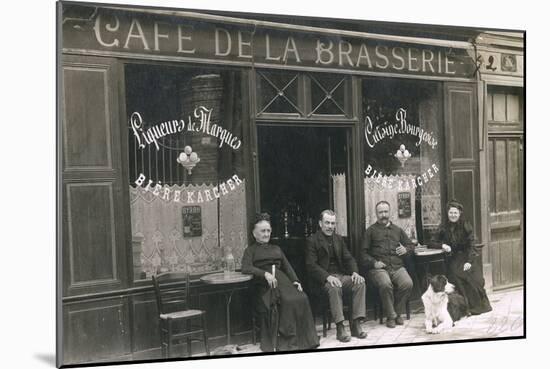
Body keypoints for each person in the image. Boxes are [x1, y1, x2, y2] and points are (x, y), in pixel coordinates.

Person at [241, 213, 319, 352]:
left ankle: (307, 341)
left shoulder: (276, 249)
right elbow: (246, 267)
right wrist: (264, 274)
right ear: (254, 233)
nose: (266, 234)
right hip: (265, 285)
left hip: (282, 280)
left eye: (268, 231)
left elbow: (287, 266)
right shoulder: (250, 251)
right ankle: (289, 342)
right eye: (262, 231)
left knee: (302, 297)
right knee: (287, 301)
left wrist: (296, 281)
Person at [305, 210, 367, 342]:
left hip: (340, 276)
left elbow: (349, 258)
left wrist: (355, 272)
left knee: (360, 283)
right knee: (334, 287)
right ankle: (340, 327)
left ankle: (356, 324)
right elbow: (311, 265)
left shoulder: (338, 239)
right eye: (327, 223)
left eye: (333, 223)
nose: (330, 226)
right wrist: (328, 277)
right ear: (320, 223)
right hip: (322, 281)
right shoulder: (312, 240)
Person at [430, 200, 492, 315]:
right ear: (448, 213)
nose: (453, 215)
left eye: (455, 213)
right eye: (451, 213)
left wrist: (469, 261)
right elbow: (431, 242)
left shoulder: (465, 225)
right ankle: (465, 308)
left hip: (467, 257)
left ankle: (477, 307)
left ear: (459, 214)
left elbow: (472, 244)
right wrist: (442, 245)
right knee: (457, 276)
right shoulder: (444, 227)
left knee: (474, 278)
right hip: (452, 258)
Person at [361, 201, 414, 328]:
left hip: (397, 266)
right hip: (379, 269)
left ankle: (396, 313)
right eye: (380, 212)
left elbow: (411, 245)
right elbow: (363, 254)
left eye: (386, 212)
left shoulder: (398, 230)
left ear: (389, 212)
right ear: (376, 214)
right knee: (385, 284)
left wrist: (406, 249)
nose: (383, 215)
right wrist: (374, 262)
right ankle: (391, 316)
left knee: (408, 283)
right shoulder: (370, 231)